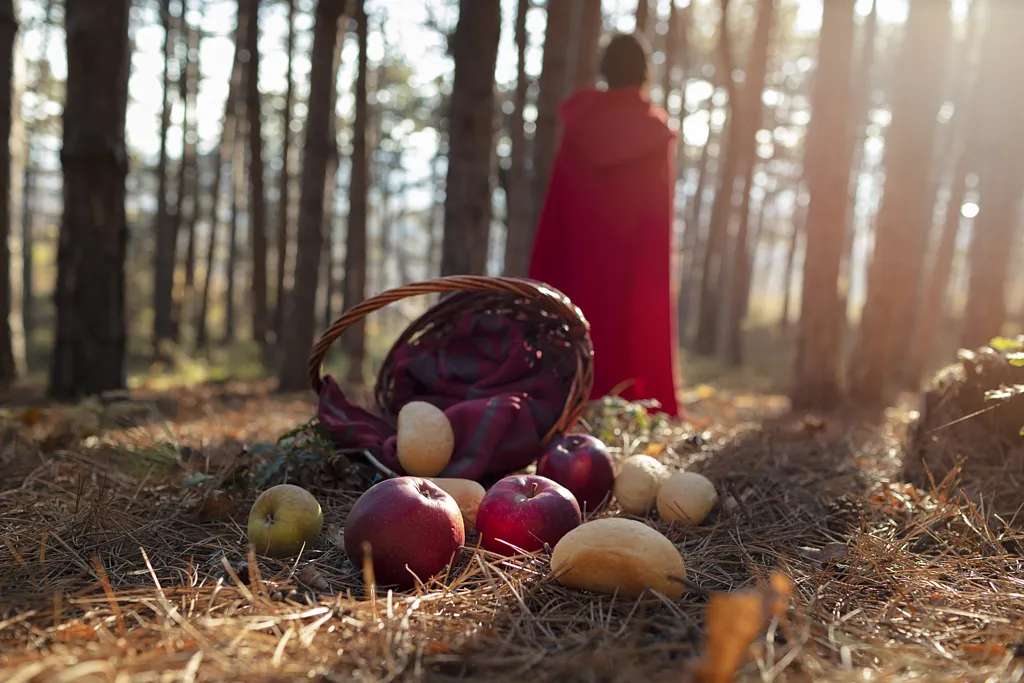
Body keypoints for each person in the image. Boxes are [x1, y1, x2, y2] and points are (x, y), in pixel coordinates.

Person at [527, 32, 682, 418]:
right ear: (645, 73)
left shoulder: (582, 123)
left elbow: (558, 206)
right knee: (625, 331)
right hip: (629, 264)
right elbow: (657, 216)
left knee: (583, 324)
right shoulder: (653, 129)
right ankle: (628, 405)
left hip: (581, 263)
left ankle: (575, 398)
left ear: (604, 71)